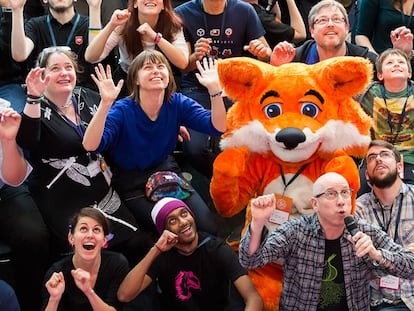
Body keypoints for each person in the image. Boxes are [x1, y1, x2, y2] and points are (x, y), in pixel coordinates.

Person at [16, 48, 143, 264]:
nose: (64, 73)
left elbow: (124, 120)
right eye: (55, 68)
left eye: (68, 67)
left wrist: (164, 124)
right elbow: (26, 141)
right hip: (63, 199)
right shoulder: (35, 106)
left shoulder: (87, 96)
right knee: (94, 255)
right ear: (42, 75)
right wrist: (33, 98)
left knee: (137, 243)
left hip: (103, 192)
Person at [82, 50, 223, 236]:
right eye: (148, 67)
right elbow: (91, 145)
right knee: (172, 231)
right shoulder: (122, 110)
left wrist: (215, 91)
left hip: (166, 170)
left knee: (208, 227)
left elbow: (218, 126)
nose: (156, 71)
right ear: (136, 80)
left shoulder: (177, 102)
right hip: (131, 180)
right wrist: (105, 104)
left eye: (161, 66)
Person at [239, 172, 414, 310]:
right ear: (315, 204)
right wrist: (258, 222)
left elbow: (411, 266)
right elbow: (251, 260)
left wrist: (377, 255)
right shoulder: (296, 230)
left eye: (345, 193)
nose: (341, 201)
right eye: (331, 194)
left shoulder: (364, 230)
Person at [174, 0, 272, 179]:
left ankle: (237, 182)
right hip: (197, 85)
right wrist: (196, 55)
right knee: (194, 148)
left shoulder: (244, 10)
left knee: (240, 142)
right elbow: (183, 66)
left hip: (232, 86)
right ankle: (225, 179)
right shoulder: (182, 12)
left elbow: (268, 54)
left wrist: (262, 53)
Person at [117, 197, 263, 310]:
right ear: (165, 231)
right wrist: (155, 250)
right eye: (172, 220)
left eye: (184, 214)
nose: (183, 222)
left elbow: (253, 297)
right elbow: (124, 295)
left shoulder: (217, 248)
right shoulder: (161, 256)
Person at [0, 99, 50, 311]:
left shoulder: (2, 109)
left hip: (4, 187)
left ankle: (32, 303)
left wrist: (8, 140)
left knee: (33, 235)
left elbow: (15, 178)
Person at [84, 0, 189, 98]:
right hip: (129, 82)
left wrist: (155, 37)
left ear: (163, 5)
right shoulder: (124, 24)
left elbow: (183, 62)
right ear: (135, 3)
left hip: (160, 81)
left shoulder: (172, 25)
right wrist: (112, 25)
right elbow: (91, 56)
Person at [356, 140, 414, 310]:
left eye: (385, 155)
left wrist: (377, 255)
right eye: (372, 157)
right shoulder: (359, 210)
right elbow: (361, 262)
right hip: (379, 301)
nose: (379, 159)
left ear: (400, 167)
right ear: (366, 175)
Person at [42, 207, 129, 310]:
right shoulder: (57, 273)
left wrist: (88, 292)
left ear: (104, 240)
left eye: (96, 230)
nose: (90, 235)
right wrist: (54, 299)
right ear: (71, 238)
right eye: (83, 229)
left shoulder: (117, 263)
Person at [9, 0, 108, 90]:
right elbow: (19, 54)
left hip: (82, 92)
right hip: (44, 92)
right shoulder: (35, 25)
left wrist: (95, 8)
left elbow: (95, 56)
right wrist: (17, 10)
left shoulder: (89, 24)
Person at [357, 49, 414, 193]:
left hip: (409, 158)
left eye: (401, 62)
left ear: (409, 73)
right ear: (380, 75)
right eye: (390, 62)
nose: (396, 65)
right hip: (377, 156)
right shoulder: (368, 94)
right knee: (360, 189)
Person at [270, 0, 378, 67]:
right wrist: (276, 68)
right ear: (312, 30)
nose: (330, 24)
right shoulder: (293, 60)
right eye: (322, 20)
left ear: (346, 28)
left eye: (336, 19)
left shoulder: (368, 62)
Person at [0, 1, 28, 112]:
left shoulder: (10, 11)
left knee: (15, 117)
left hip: (7, 84)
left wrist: (8, 9)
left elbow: (11, 51)